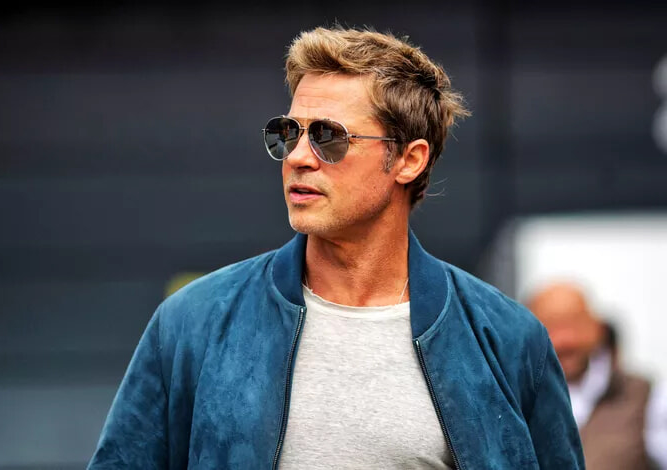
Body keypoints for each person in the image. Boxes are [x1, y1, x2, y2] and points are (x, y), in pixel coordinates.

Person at [87, 25, 583, 469]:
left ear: (408, 160)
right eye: (288, 133)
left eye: (329, 137)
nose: (298, 157)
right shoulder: (192, 323)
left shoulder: (508, 341)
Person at [526, 281, 667, 469]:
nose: (565, 341)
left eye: (575, 325)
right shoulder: (513, 398)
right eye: (550, 328)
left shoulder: (646, 397)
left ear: (597, 328)